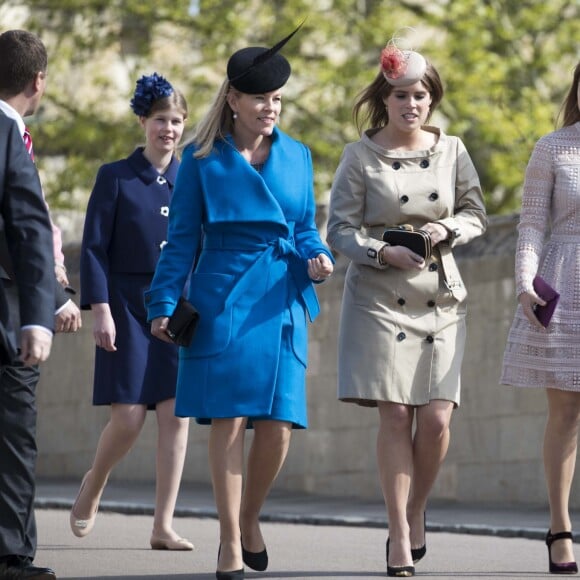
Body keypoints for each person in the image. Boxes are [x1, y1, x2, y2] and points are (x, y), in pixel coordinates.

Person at [145, 24, 334, 580]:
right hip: (223, 296)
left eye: (277, 99)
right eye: (260, 99)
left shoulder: (298, 155)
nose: (271, 108)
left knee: (278, 425)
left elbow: (304, 227)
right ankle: (230, 541)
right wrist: (161, 301)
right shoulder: (202, 160)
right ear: (233, 99)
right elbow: (180, 240)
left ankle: (250, 516)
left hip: (282, 298)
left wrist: (317, 255)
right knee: (227, 421)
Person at [326, 38, 487, 577]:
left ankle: (416, 510)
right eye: (400, 95)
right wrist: (380, 250)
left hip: (440, 295)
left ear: (431, 99)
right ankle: (398, 534)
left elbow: (476, 213)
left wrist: (448, 228)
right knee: (395, 414)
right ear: (384, 99)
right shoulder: (359, 155)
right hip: (378, 296)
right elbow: (339, 230)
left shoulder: (454, 150)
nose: (410, 104)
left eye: (419, 95)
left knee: (437, 419)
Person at [69, 73, 193, 552]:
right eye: (161, 119)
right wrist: (100, 308)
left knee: (175, 416)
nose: (169, 128)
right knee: (128, 418)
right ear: (143, 121)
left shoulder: (191, 180)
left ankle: (163, 525)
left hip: (179, 308)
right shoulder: (115, 176)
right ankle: (95, 482)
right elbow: (94, 248)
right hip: (124, 305)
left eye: (177, 120)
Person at [0, 28, 83, 580]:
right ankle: (9, 554)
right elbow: (27, 227)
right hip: (8, 313)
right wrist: (38, 315)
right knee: (12, 434)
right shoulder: (9, 135)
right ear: (39, 81)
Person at [500, 61, 580, 575]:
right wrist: (526, 282)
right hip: (567, 284)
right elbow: (530, 225)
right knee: (567, 414)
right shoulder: (553, 147)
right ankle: (560, 527)